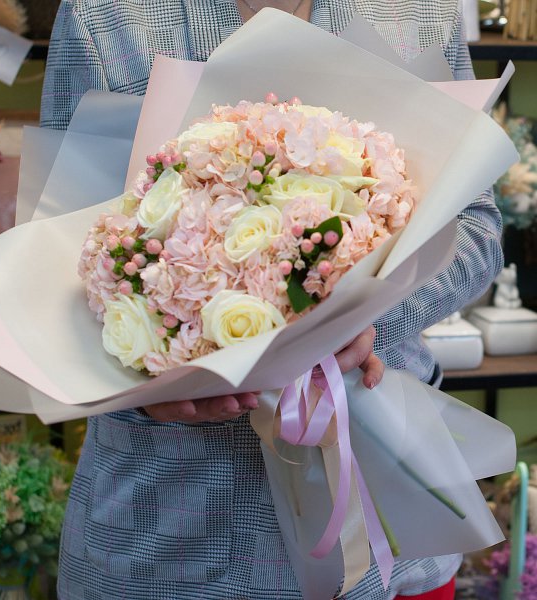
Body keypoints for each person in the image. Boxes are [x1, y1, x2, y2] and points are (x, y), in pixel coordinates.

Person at [40, 1, 503, 598]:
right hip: (167, 522)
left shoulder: (417, 10)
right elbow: (55, 246)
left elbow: (476, 229)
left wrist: (360, 315)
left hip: (389, 504)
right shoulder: (105, 16)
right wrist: (143, 384)